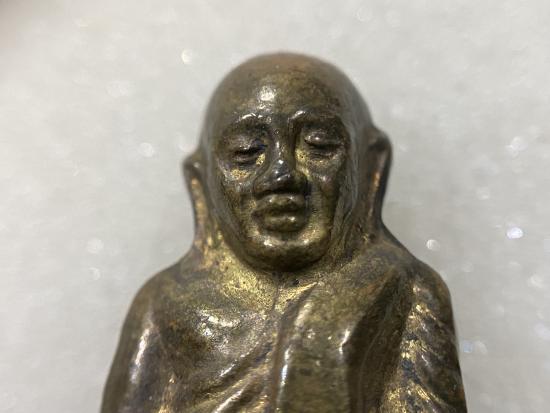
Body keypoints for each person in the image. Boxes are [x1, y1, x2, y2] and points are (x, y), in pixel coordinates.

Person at [102, 53, 466, 412]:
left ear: (372, 165)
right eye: (246, 153)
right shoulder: (165, 303)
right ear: (201, 181)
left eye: (319, 146)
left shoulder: (404, 290)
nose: (281, 174)